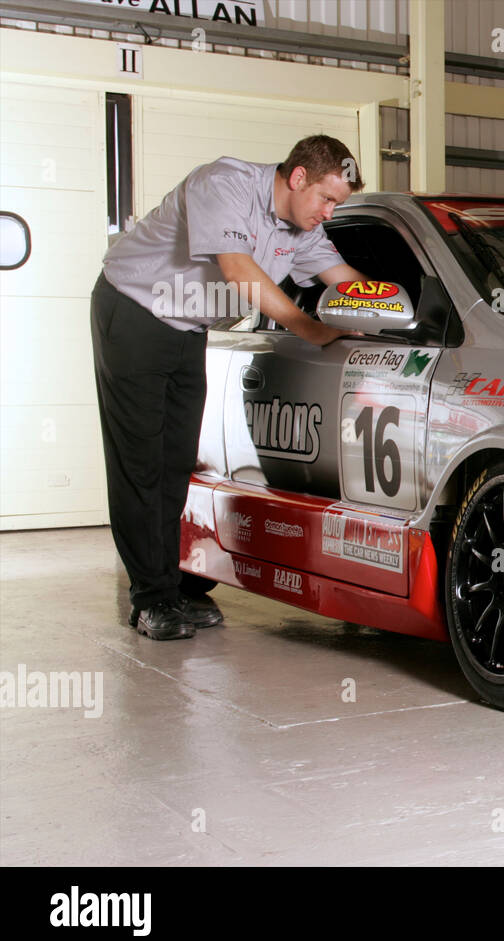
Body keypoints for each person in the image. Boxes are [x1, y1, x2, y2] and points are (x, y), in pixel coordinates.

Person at [92, 135, 368, 640]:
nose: (330, 213)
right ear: (298, 177)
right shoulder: (225, 184)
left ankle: (169, 586)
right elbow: (238, 270)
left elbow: (346, 279)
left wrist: (395, 308)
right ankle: (151, 600)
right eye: (327, 199)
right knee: (140, 462)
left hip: (188, 327)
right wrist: (311, 328)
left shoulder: (302, 228)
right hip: (134, 311)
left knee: (175, 460)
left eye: (338, 205)